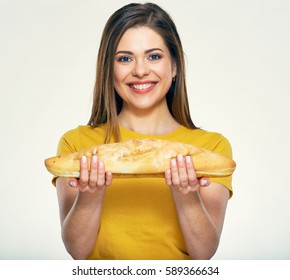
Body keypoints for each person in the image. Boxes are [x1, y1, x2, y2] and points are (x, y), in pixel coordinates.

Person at [53, 2, 234, 260]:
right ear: (109, 70)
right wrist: (90, 196)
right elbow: (77, 252)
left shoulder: (211, 149)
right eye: (125, 58)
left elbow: (203, 254)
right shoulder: (77, 145)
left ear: (174, 67)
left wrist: (188, 197)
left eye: (154, 56)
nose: (139, 71)